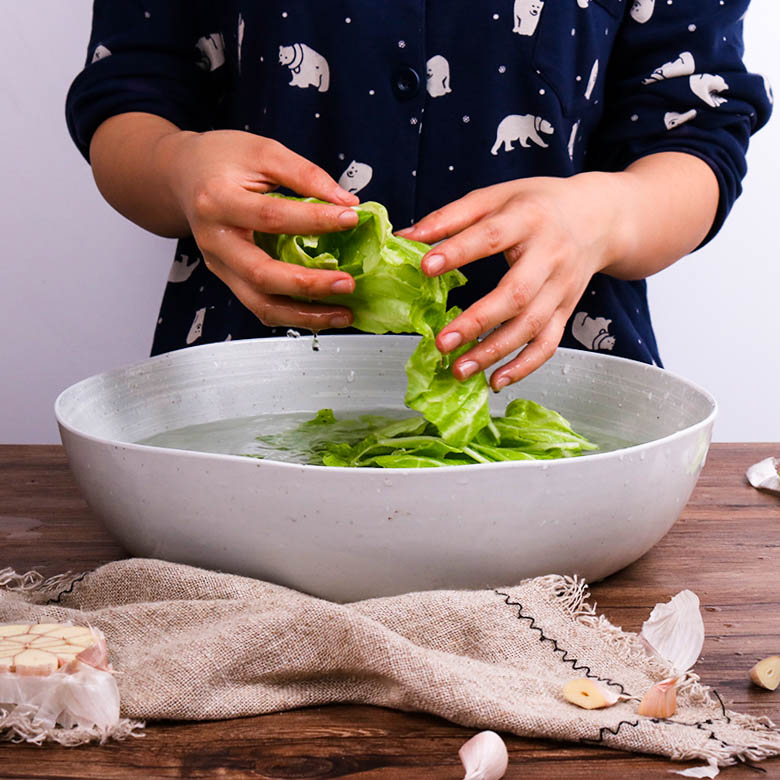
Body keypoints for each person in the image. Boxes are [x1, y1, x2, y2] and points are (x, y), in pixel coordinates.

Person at [66, 1, 772, 391]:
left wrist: (609, 217)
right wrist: (179, 167)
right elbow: (126, 94)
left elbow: (697, 133)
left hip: (558, 397)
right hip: (239, 394)